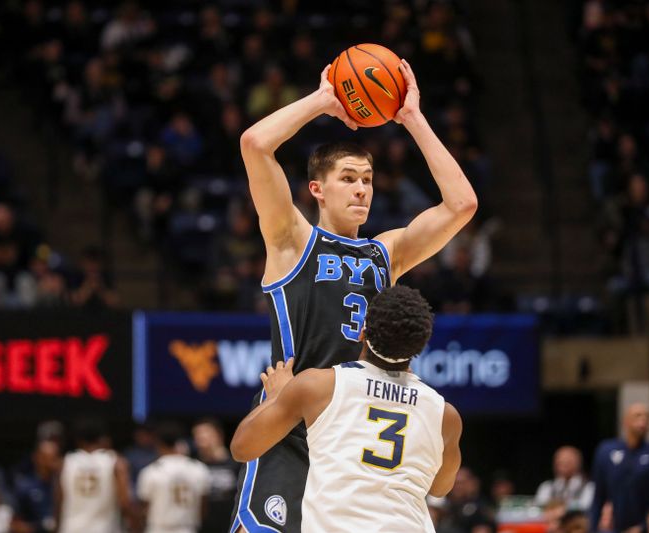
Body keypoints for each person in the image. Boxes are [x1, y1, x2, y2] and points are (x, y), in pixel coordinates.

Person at [232, 57, 477, 532]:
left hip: (346, 434)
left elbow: (462, 204)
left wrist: (413, 118)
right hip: (289, 422)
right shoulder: (293, 240)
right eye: (348, 178)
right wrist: (323, 100)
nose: (361, 189)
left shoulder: (387, 253)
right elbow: (255, 144)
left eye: (366, 179)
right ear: (317, 189)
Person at [230, 286, 463, 532]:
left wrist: (276, 396)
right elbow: (441, 488)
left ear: (362, 332)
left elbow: (242, 447)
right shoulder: (444, 414)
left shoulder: (319, 387)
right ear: (420, 345)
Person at [590, 403, 649, 533]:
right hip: (617, 527)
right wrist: (593, 528)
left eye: (647, 417)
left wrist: (643, 527)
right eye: (637, 416)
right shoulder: (606, 452)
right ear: (625, 421)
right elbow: (598, 497)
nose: (643, 420)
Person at [55, 418, 132, 533]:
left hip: (71, 528)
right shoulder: (115, 462)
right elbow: (125, 502)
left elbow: (59, 501)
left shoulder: (65, 463)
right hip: (105, 528)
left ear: (77, 439)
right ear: (102, 438)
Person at [137, 421, 211, 533]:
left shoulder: (151, 471)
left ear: (158, 443)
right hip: (188, 528)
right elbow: (203, 508)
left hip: (158, 529)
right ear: (179, 442)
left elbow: (144, 509)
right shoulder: (199, 468)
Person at [12, 439, 61, 533]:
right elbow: (15, 524)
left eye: (54, 458)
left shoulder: (64, 485)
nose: (51, 463)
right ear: (36, 458)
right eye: (47, 458)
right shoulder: (25, 486)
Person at [535, 446, 594, 511]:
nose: (562, 466)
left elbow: (585, 506)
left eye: (567, 462)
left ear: (578, 463)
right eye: (560, 462)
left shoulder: (588, 487)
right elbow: (540, 507)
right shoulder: (547, 487)